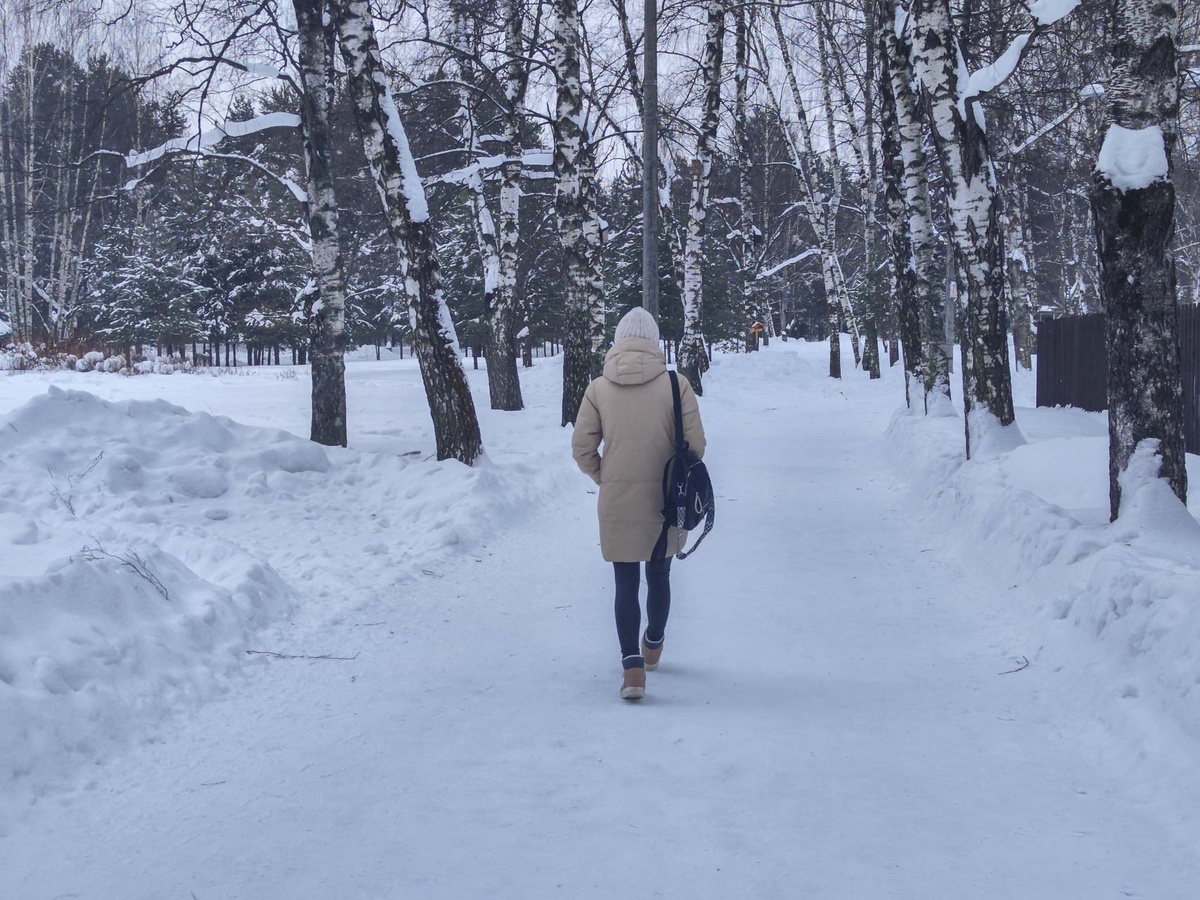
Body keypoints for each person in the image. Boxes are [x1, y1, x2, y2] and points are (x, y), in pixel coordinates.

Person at [571, 307, 707, 700]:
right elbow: (696, 446)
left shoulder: (598, 388)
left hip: (617, 500)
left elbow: (582, 448)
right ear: (654, 341)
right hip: (667, 501)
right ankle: (653, 642)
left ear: (618, 342)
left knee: (625, 581)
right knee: (659, 575)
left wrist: (605, 477)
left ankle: (632, 669)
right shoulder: (674, 384)